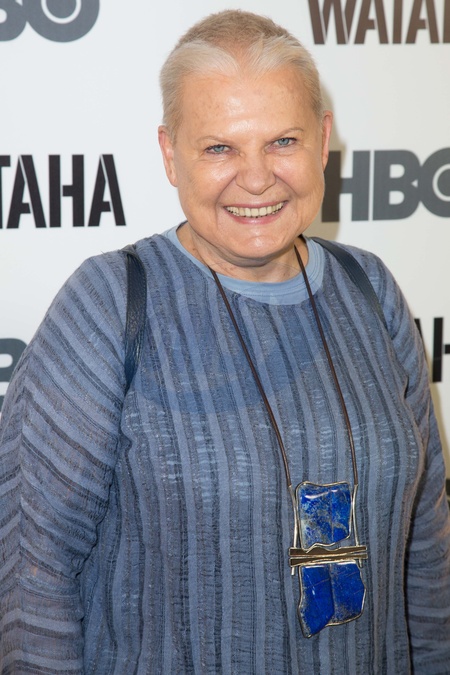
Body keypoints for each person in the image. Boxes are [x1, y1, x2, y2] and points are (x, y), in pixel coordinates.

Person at [1, 8, 449, 674]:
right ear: (169, 154)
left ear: (324, 141)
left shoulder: (371, 290)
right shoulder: (109, 303)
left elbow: (425, 548)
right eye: (220, 149)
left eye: (283, 141)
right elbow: (33, 573)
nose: (257, 177)